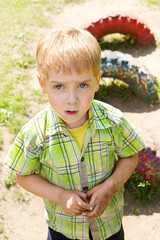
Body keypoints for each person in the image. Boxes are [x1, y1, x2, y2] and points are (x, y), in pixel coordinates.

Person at [5, 27, 145, 240]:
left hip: (109, 226)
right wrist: (60, 196)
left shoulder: (113, 121)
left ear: (98, 80)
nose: (72, 99)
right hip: (63, 230)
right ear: (43, 84)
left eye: (82, 85)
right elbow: (23, 175)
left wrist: (111, 186)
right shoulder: (35, 133)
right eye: (59, 86)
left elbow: (130, 155)